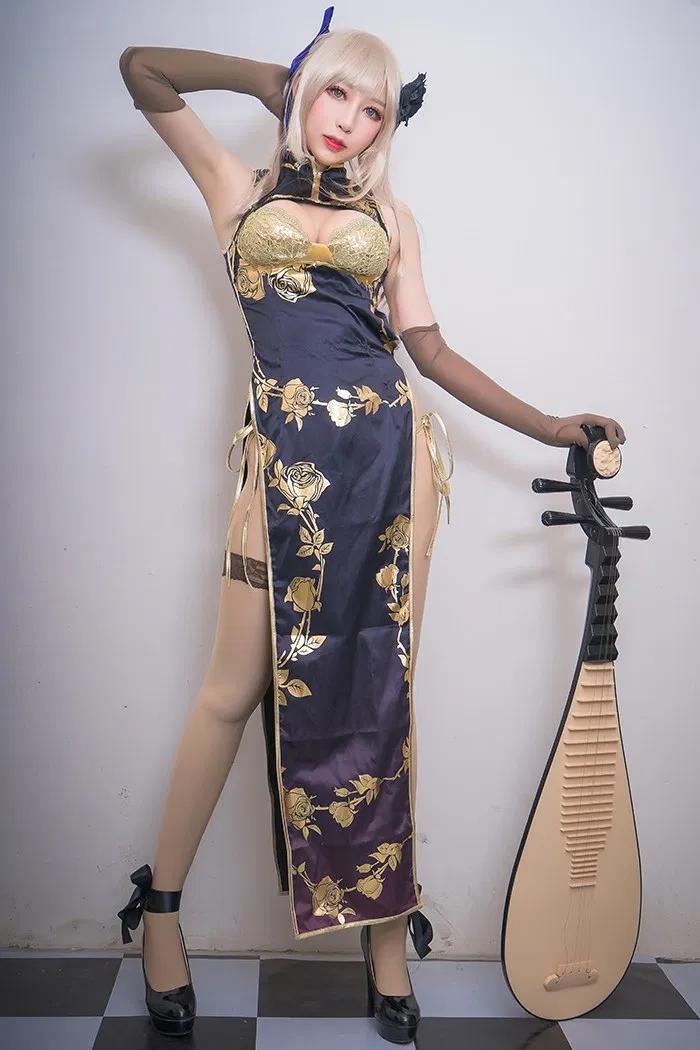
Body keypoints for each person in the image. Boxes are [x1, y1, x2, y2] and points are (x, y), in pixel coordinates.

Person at [116, 7, 626, 1042]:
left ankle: (385, 936)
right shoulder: (237, 190)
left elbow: (429, 351)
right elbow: (143, 70)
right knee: (231, 690)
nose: (347, 118)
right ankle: (158, 908)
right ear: (308, 90)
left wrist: (548, 424)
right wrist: (272, 77)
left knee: (379, 700)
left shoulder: (391, 218)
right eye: (335, 92)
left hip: (393, 467)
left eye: (373, 108)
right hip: (283, 468)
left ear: (389, 127)